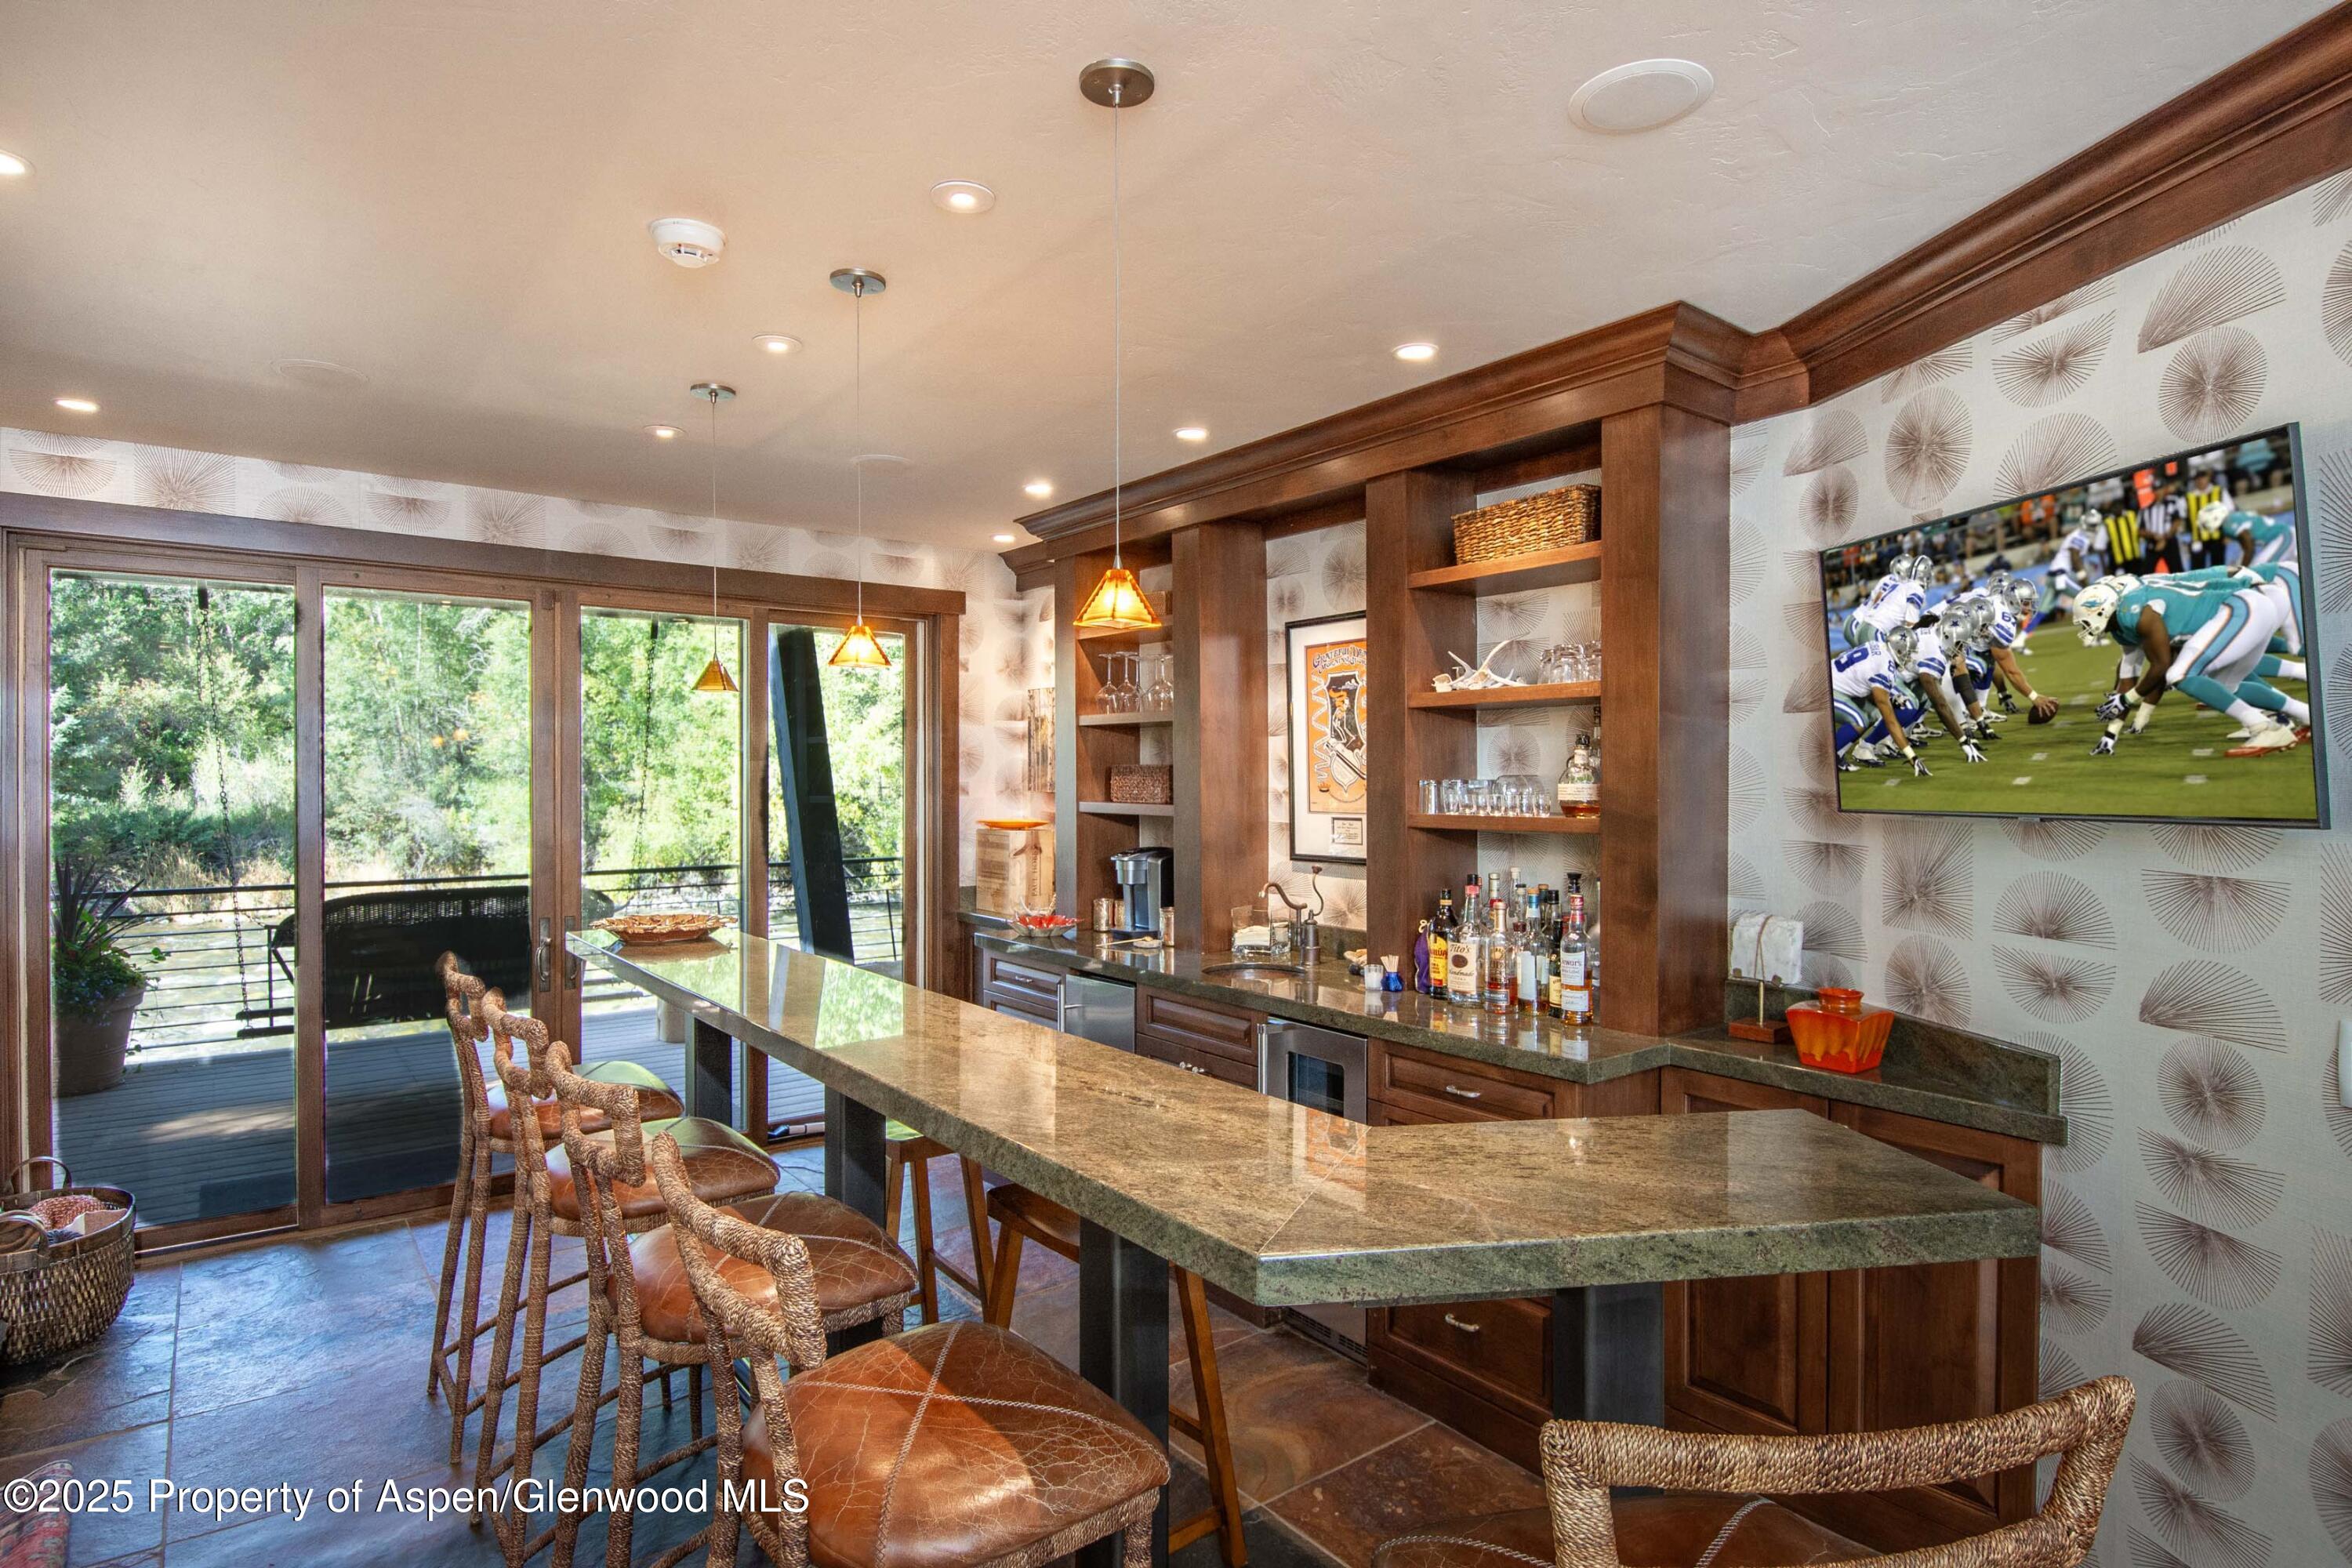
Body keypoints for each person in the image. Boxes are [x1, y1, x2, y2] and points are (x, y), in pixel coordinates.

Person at [2074, 575, 2305, 755]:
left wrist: (2128, 700)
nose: (2083, 626)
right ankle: (2306, 714)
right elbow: (2127, 681)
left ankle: (2264, 727)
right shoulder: (2124, 627)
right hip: (2250, 607)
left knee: (2179, 674)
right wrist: (2110, 735)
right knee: (2227, 686)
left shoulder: (2136, 613)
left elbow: (2162, 667)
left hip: (2243, 607)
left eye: (2085, 619)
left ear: (2101, 609)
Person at [1830, 636, 1930, 775]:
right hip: (1826, 688)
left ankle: (1837, 756)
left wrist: (1890, 698)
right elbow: (1890, 720)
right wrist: (1912, 756)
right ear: (1899, 650)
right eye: (1908, 653)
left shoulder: (1877, 645)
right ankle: (1823, 759)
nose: (1910, 658)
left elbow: (1862, 679)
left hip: (1834, 681)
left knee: (1873, 714)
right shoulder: (1885, 667)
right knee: (1859, 721)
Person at [2229, 506, 2297, 568]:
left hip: (2284, 536)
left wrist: (2241, 569)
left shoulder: (2230, 524)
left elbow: (2249, 549)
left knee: (2263, 569)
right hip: (2285, 535)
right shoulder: (2238, 518)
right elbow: (2247, 549)